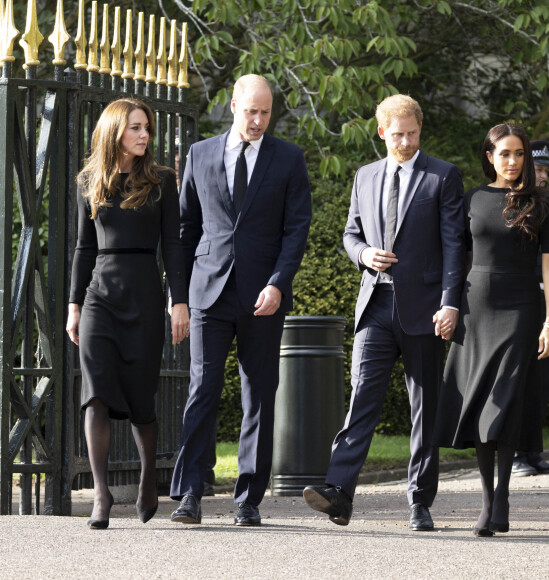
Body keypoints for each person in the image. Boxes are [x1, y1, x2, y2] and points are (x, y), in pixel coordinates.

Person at [303, 94, 466, 530]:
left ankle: (419, 501)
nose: (407, 141)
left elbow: (455, 245)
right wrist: (363, 255)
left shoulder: (443, 176)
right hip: (375, 304)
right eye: (399, 134)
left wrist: (451, 303)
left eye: (413, 133)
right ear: (382, 132)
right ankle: (339, 492)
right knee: (362, 399)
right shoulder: (365, 176)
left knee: (425, 407)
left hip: (426, 309)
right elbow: (350, 233)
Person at [169, 74, 311, 527]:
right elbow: (185, 230)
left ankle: (248, 498)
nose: (257, 120)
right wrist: (179, 298)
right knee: (202, 390)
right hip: (208, 291)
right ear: (233, 106)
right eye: (251, 111)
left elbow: (296, 230)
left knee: (259, 396)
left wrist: (278, 283)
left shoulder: (288, 158)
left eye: (266, 112)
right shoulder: (200, 153)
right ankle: (191, 493)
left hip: (262, 296)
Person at [66, 98, 190, 529]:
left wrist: (179, 300)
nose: (144, 136)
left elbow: (173, 245)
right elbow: (83, 248)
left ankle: (146, 481)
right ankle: (101, 495)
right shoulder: (90, 181)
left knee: (141, 398)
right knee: (96, 393)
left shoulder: (161, 181)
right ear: (116, 130)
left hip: (144, 298)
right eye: (136, 127)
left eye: (147, 129)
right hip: (101, 296)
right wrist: (74, 304)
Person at [433, 123, 549, 537]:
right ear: (489, 156)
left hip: (521, 310)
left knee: (504, 404)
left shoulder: (543, 203)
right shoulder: (472, 199)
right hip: (476, 311)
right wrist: (448, 306)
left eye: (519, 154)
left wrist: (548, 321)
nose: (512, 162)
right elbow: (458, 256)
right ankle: (489, 499)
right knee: (481, 407)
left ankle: (501, 496)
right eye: (504, 154)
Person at [512, 140, 549, 476]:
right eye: (539, 169)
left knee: (540, 382)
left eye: (546, 170)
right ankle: (516, 454)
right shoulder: (511, 204)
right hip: (519, 304)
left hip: (546, 306)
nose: (543, 175)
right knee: (517, 381)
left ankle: (533, 451)